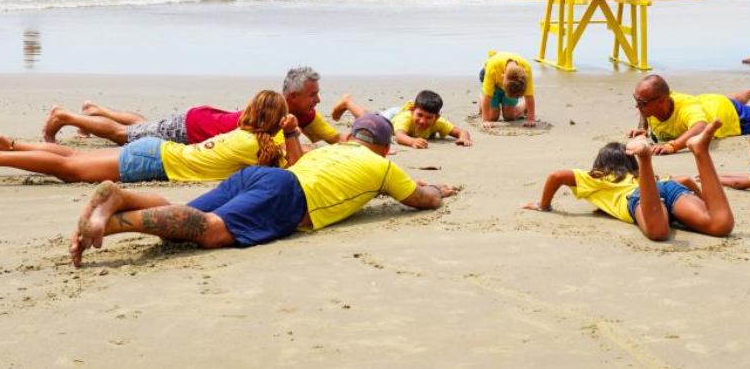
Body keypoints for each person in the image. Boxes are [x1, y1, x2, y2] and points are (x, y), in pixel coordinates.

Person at [68, 113, 458, 267]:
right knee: (209, 230)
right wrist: (439, 190)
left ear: (352, 136)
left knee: (183, 212)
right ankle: (112, 218)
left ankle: (114, 207)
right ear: (386, 147)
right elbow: (420, 201)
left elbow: (298, 157)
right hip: (290, 195)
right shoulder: (383, 166)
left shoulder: (333, 150)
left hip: (261, 175)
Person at [0, 90, 298, 183]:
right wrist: (293, 130)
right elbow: (294, 165)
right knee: (71, 170)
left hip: (157, 151)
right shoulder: (260, 147)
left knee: (74, 159)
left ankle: (10, 145)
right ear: (276, 121)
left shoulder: (244, 134)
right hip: (154, 162)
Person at [523, 120, 734, 241]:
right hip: (668, 187)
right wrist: (704, 205)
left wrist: (544, 206)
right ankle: (700, 151)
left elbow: (556, 176)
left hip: (639, 197)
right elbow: (686, 180)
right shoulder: (636, 177)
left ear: (599, 164)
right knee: (720, 225)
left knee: (659, 233)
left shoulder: (596, 177)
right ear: (630, 164)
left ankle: (646, 159)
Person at [41, 66, 339, 146]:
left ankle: (94, 110)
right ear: (293, 96)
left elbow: (334, 138)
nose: (318, 100)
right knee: (124, 136)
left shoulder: (303, 114)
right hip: (191, 129)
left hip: (202, 118)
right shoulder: (273, 113)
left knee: (143, 125)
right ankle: (64, 116)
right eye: (313, 95)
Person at [629, 74, 750, 155]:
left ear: (661, 101)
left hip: (727, 114)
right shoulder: (651, 104)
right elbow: (644, 111)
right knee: (728, 100)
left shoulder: (686, 109)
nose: (638, 106)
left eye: (642, 103)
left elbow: (700, 127)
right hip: (710, 102)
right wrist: (642, 129)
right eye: (636, 99)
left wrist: (673, 145)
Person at [331, 89, 473, 148]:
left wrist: (464, 137)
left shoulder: (439, 123)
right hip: (393, 116)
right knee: (370, 120)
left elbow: (461, 132)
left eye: (429, 118)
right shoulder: (406, 118)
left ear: (436, 118)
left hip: (404, 113)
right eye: (420, 115)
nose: (423, 121)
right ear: (413, 111)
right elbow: (399, 136)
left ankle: (347, 103)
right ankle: (347, 102)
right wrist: (412, 141)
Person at [479, 50, 537, 128]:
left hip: (510, 83)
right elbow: (488, 96)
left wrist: (531, 118)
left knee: (510, 117)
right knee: (492, 117)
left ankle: (525, 105)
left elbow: (529, 96)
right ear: (502, 77)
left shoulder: (526, 70)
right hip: (491, 79)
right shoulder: (493, 68)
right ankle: (480, 98)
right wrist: (485, 120)